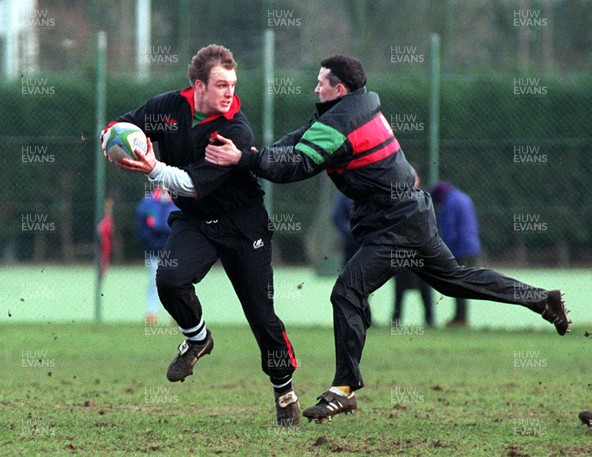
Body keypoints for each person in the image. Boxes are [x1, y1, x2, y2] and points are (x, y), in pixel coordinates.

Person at [204, 54, 571, 423]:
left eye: (321, 82)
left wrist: (245, 161)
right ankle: (541, 299)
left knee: (347, 291)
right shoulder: (355, 109)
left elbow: (298, 163)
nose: (315, 87)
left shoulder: (341, 122)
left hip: (396, 224)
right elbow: (300, 140)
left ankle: (343, 390)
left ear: (339, 89)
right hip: (410, 216)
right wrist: (250, 156)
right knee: (457, 280)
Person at [100, 44, 300, 426]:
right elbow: (123, 124)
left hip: (242, 225)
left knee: (261, 316)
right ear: (198, 87)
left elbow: (191, 184)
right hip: (196, 222)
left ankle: (284, 391)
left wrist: (152, 167)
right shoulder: (168, 108)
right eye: (221, 84)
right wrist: (109, 138)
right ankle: (197, 338)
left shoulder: (235, 129)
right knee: (170, 279)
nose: (230, 93)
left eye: (233, 84)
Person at [333, 191, 433, 327]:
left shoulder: (381, 192)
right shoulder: (346, 195)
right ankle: (358, 319)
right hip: (354, 246)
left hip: (374, 245)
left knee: (367, 283)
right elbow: (338, 218)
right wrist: (353, 233)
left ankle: (370, 318)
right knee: (352, 284)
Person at [430, 181, 481, 327]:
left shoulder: (449, 203)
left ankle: (461, 319)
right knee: (463, 283)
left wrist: (442, 250)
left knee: (459, 283)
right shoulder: (463, 197)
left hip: (460, 248)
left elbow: (449, 231)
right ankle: (460, 317)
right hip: (472, 246)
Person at [136, 188, 177, 324]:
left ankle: (178, 314)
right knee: (154, 282)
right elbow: (142, 226)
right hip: (154, 250)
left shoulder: (179, 201)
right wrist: (151, 242)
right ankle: (151, 313)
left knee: (176, 282)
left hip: (174, 250)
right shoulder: (148, 202)